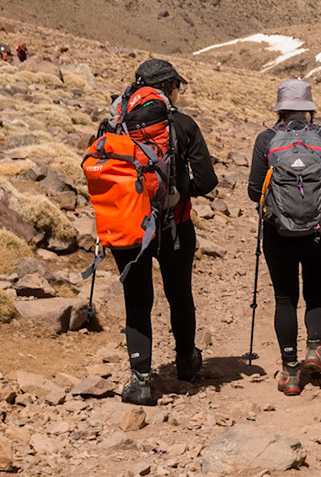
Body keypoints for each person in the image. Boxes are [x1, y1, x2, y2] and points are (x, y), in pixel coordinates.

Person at [107, 58, 217, 404]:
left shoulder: (112, 124)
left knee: (137, 301)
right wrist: (179, 190)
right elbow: (207, 181)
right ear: (167, 87)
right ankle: (186, 363)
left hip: (129, 224)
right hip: (175, 225)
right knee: (179, 293)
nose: (179, 92)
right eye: (177, 86)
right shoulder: (181, 125)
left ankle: (140, 380)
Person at [248, 79, 321, 396]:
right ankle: (315, 351)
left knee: (285, 298)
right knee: (317, 294)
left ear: (280, 109)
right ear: (309, 109)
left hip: (279, 232)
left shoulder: (266, 140)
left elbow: (254, 191)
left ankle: (290, 372)